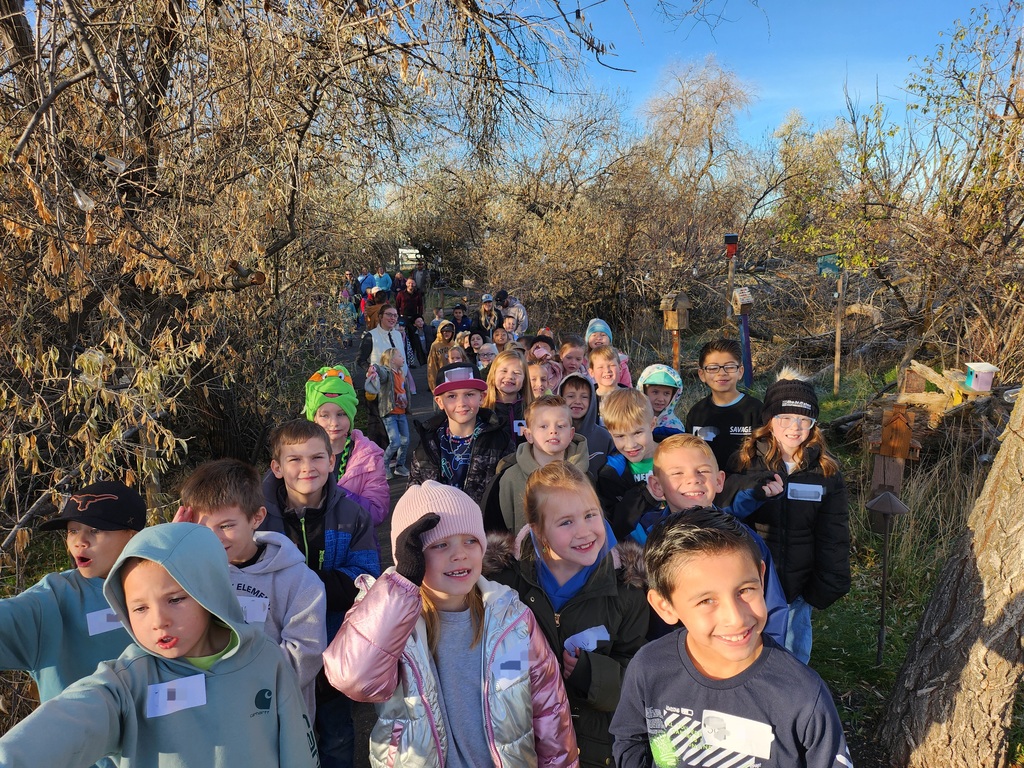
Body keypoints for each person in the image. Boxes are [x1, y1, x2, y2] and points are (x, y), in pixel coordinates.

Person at [0, 523, 319, 768]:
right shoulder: (127, 682)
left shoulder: (263, 658)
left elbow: (298, 747)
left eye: (176, 599)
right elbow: (72, 718)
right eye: (139, 608)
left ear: (211, 590)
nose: (158, 621)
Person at [322, 482, 580, 767]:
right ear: (412, 556)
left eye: (470, 540)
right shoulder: (389, 625)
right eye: (440, 544)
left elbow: (550, 712)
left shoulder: (511, 618)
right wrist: (403, 583)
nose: (460, 554)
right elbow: (353, 679)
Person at [610, 509, 852, 768]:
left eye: (745, 590)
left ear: (762, 577)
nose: (735, 618)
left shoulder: (802, 695)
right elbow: (631, 738)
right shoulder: (649, 667)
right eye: (707, 600)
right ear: (665, 606)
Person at [484, 462, 648, 768]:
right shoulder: (503, 584)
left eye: (590, 515)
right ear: (538, 531)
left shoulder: (627, 589)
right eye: (566, 522)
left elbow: (638, 670)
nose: (584, 531)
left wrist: (593, 675)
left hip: (594, 749)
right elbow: (486, 658)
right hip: (521, 741)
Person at [260, 419, 381, 768]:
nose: (306, 468)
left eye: (316, 458)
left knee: (337, 735)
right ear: (277, 467)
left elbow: (365, 577)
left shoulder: (352, 514)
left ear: (332, 461)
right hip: (275, 653)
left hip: (332, 649)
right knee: (279, 736)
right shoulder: (258, 515)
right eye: (294, 459)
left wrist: (299, 585)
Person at [177, 459, 327, 720]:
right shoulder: (189, 574)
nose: (214, 538)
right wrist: (173, 548)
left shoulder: (299, 580)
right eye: (201, 528)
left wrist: (231, 679)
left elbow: (305, 656)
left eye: (226, 526)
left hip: (277, 718)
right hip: (212, 719)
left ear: (256, 517)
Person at [721, 370, 851, 664]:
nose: (795, 428)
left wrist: (829, 580)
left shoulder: (826, 472)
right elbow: (728, 514)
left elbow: (834, 533)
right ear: (769, 421)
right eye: (785, 419)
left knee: (792, 656)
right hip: (751, 581)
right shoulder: (744, 461)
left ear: (813, 425)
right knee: (747, 653)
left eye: (804, 420)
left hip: (798, 588)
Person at [0, 481, 144, 736]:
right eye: (72, 531)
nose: (80, 542)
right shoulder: (54, 598)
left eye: (96, 530)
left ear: (132, 535)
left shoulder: (168, 588)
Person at [625, 434, 787, 645]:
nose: (693, 479)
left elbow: (773, 606)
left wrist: (768, 657)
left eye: (702, 471)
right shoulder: (642, 538)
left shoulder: (745, 540)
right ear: (657, 486)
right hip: (668, 655)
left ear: (719, 481)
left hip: (733, 645)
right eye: (677, 473)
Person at [409, 362, 515, 506]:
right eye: (451, 396)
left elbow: (510, 494)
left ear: (482, 397)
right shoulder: (427, 443)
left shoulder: (500, 441)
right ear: (440, 402)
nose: (461, 403)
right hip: (441, 525)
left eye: (469, 394)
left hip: (484, 526)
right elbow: (413, 493)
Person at [483, 394, 590, 534]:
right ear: (529, 435)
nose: (553, 431)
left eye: (561, 425)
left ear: (571, 434)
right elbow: (495, 532)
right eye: (543, 426)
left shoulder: (586, 477)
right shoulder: (507, 479)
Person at [305, 365, 389, 529]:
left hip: (356, 549)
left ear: (351, 416)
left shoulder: (369, 457)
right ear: (314, 418)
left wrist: (337, 495)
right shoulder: (297, 456)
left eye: (342, 414)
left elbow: (377, 512)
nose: (334, 423)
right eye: (325, 415)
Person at [685, 338, 764, 473]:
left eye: (729, 366)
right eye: (713, 368)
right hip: (708, 487)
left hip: (745, 486)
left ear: (740, 371)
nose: (721, 373)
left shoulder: (756, 410)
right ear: (702, 374)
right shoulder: (697, 412)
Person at [595, 388, 658, 536]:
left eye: (637, 433)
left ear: (652, 424)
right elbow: (614, 525)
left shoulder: (677, 457)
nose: (630, 445)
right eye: (620, 436)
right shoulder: (610, 474)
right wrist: (646, 495)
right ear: (610, 433)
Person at [357, 303, 406, 448]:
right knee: (378, 423)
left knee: (398, 421)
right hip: (379, 386)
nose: (393, 318)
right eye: (389, 315)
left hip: (398, 384)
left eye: (395, 315)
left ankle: (395, 456)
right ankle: (378, 455)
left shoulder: (397, 334)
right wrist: (370, 369)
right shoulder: (370, 336)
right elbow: (360, 359)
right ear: (380, 317)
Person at [365, 347, 411, 479]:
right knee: (395, 442)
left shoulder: (401, 374)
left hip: (401, 412)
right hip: (390, 412)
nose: (403, 358)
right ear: (391, 360)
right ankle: (383, 464)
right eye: (400, 356)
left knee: (405, 440)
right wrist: (374, 367)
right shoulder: (387, 373)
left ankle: (400, 466)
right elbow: (381, 371)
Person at [558, 372, 615, 474]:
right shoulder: (554, 435)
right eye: (571, 396)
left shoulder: (605, 437)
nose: (577, 401)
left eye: (584, 397)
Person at [483, 349, 533, 445]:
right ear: (493, 375)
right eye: (504, 371)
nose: (510, 376)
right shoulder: (483, 409)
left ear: (524, 379)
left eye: (517, 373)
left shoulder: (533, 409)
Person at [637, 363, 686, 436]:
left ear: (673, 395)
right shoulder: (633, 421)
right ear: (643, 391)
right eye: (655, 392)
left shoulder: (676, 427)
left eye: (666, 393)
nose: (660, 399)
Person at [585, 318, 631, 386]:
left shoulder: (620, 361)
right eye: (594, 335)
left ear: (609, 340)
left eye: (603, 335)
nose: (598, 338)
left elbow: (627, 386)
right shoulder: (581, 361)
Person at [588, 344, 629, 413]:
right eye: (601, 367)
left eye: (612, 365)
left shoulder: (630, 397)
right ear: (591, 372)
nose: (607, 370)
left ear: (620, 368)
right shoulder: (588, 398)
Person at [427, 319, 456, 392]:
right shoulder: (435, 345)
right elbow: (432, 366)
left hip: (454, 378)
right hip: (441, 378)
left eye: (449, 331)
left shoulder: (454, 344)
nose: (447, 333)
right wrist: (433, 385)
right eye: (444, 331)